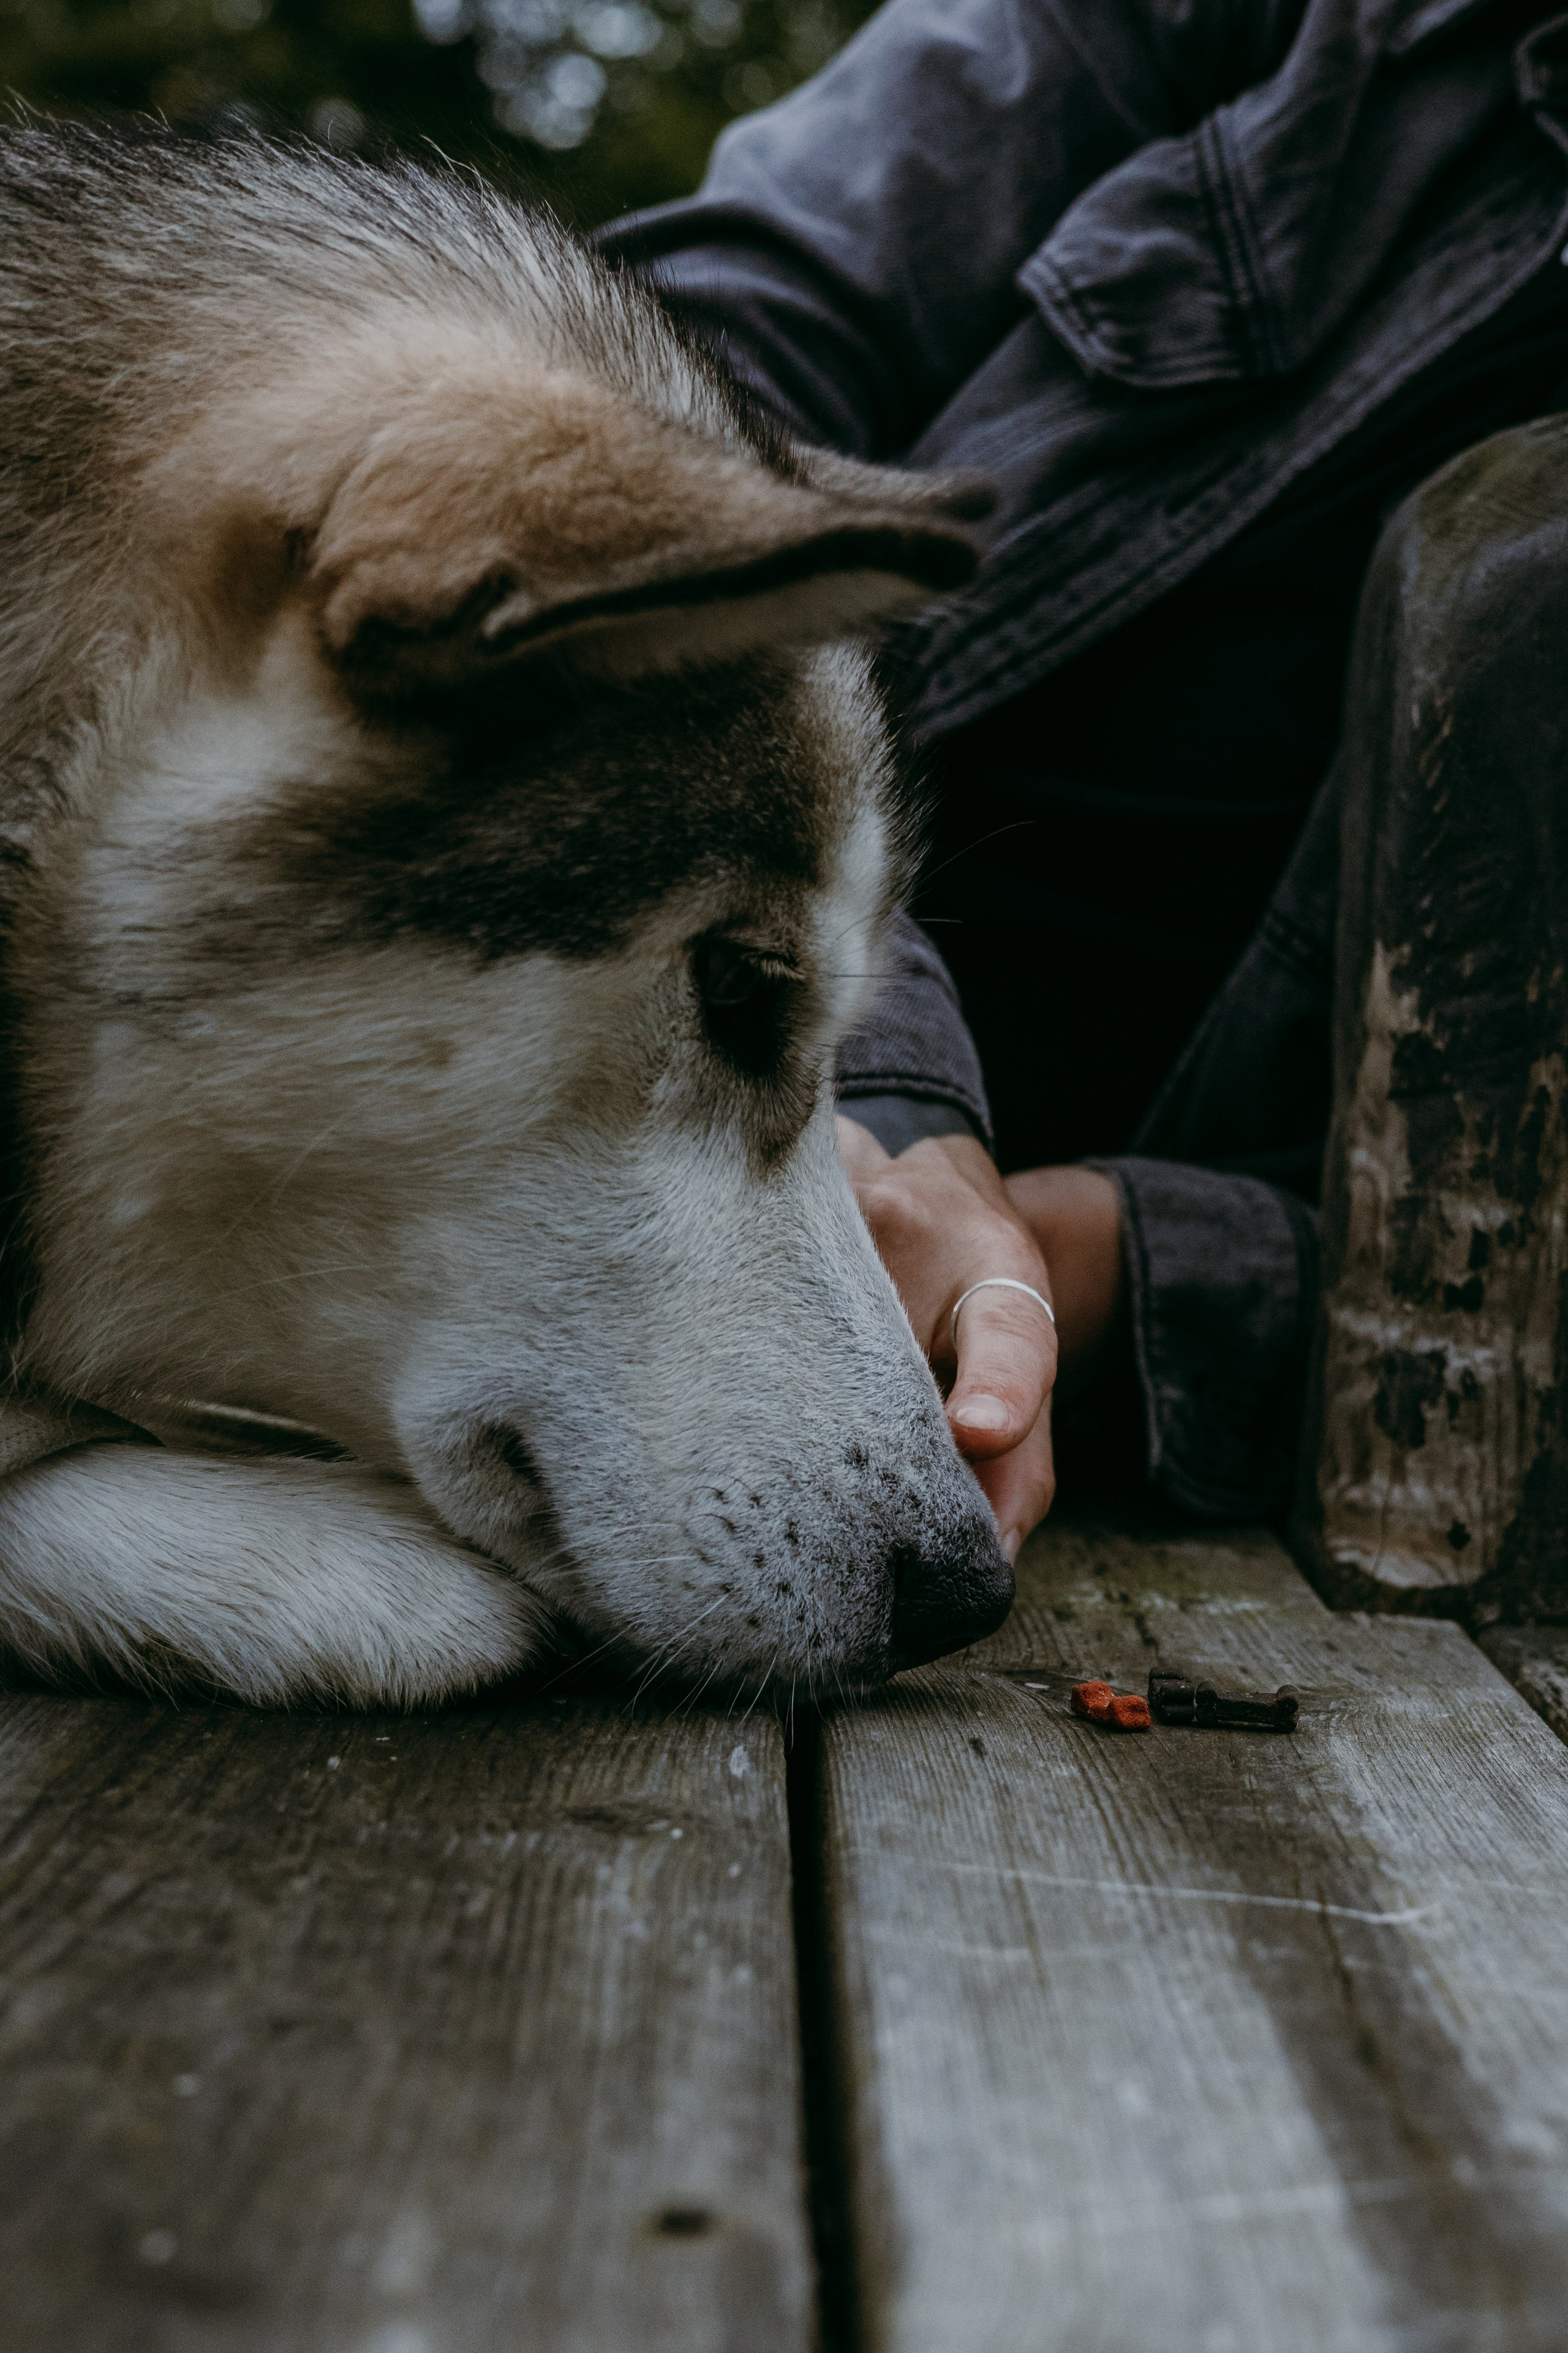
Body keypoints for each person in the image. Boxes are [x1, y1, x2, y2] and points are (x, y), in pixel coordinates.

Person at [600, 0, 1568, 1558]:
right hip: (644, 988)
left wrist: (1066, 1255)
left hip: (1167, 1481)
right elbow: (651, 389)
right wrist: (886, 1095)